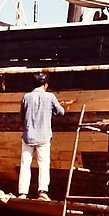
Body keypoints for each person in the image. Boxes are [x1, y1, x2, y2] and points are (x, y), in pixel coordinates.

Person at [18, 72, 71, 201]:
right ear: (45, 84)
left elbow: (22, 116)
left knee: (25, 164)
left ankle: (23, 193)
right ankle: (42, 192)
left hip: (28, 136)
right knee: (43, 163)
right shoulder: (50, 97)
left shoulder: (26, 97)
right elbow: (61, 112)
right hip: (44, 136)